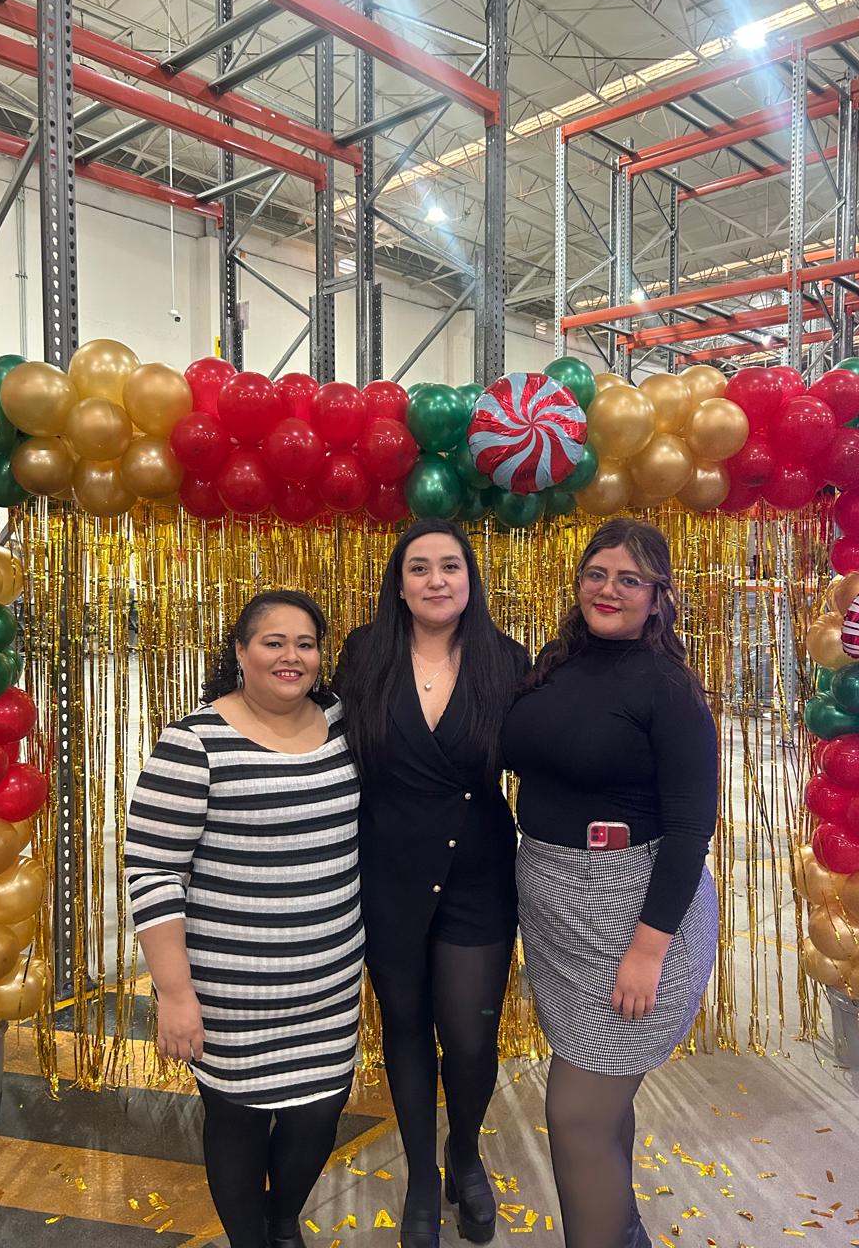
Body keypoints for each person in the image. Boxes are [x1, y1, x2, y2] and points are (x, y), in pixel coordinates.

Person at [502, 519, 719, 1248]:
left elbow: (689, 830)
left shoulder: (668, 687)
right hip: (557, 908)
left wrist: (647, 952)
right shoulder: (556, 661)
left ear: (659, 596)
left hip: (635, 911)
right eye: (597, 573)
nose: (609, 590)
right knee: (603, 1101)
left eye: (630, 579)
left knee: (576, 1116)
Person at [125, 591, 363, 1248]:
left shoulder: (344, 725)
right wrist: (176, 994)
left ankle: (282, 1220)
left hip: (328, 990)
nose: (292, 657)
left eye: (305, 644)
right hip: (231, 998)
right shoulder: (194, 742)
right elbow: (153, 872)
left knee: (318, 1117)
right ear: (240, 651)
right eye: (273, 642)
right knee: (237, 1124)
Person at [332, 518, 529, 1248]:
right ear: (399, 583)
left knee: (471, 1040)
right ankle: (421, 1173)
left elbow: (545, 755)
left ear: (470, 579)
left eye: (450, 566)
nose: (436, 580)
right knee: (406, 1027)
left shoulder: (507, 661)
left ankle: (465, 1154)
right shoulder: (364, 654)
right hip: (388, 870)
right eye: (419, 568)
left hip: (479, 874)